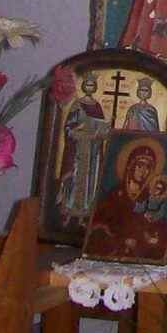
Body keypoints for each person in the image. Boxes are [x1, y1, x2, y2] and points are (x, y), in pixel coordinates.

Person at [84, 137, 167, 260]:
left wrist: (150, 238)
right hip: (114, 250)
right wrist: (121, 239)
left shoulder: (150, 197)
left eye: (148, 167)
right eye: (140, 165)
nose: (143, 171)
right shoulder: (115, 194)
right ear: (130, 166)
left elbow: (160, 228)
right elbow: (99, 224)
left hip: (139, 253)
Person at [55, 74, 109, 225]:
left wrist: (102, 132)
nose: (90, 87)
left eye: (92, 85)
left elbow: (101, 127)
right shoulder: (77, 105)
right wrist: (78, 130)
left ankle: (84, 215)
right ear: (84, 86)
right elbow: (68, 127)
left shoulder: (97, 106)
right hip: (79, 149)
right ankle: (69, 213)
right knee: (76, 178)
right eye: (88, 84)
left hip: (93, 150)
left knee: (90, 181)